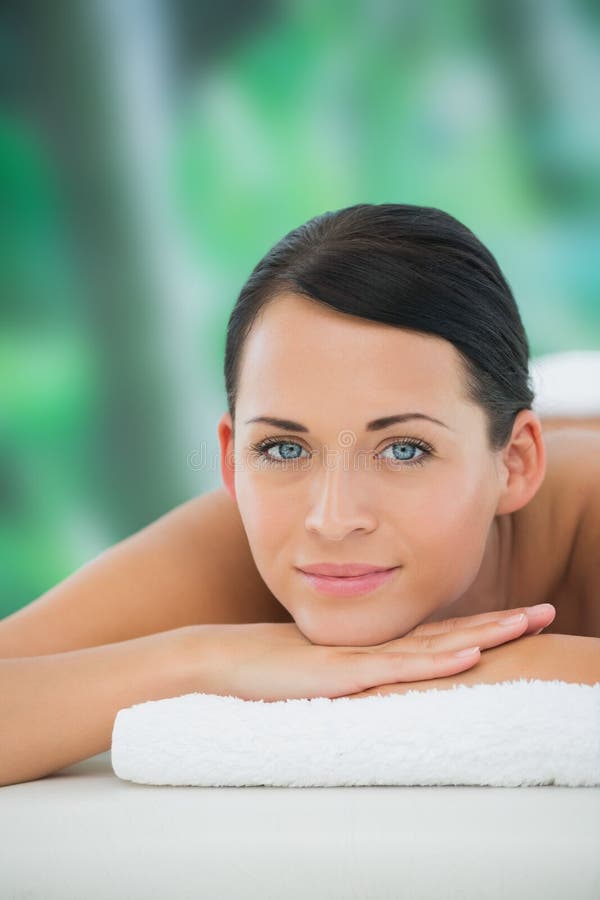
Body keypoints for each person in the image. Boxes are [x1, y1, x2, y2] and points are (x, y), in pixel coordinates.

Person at [1, 203, 599, 785]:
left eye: (404, 450)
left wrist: (500, 666)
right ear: (233, 460)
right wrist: (201, 661)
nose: (332, 519)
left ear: (515, 463)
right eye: (285, 450)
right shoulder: (237, 543)